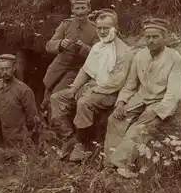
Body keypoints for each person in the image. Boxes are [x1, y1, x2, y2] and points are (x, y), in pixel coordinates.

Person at [105, 18, 181, 178]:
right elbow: (130, 84)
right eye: (147, 37)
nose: (151, 41)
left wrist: (158, 112)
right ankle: (108, 163)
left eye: (155, 37)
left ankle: (121, 165)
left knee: (140, 127)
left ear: (165, 37)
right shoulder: (140, 55)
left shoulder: (175, 58)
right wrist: (121, 102)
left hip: (160, 101)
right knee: (115, 119)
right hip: (141, 97)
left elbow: (174, 93)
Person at [50, 9, 134, 161]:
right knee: (57, 98)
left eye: (106, 28)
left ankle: (83, 145)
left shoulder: (124, 52)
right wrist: (74, 88)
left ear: (115, 28)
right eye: (99, 28)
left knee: (83, 102)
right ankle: (69, 138)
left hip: (109, 93)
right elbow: (85, 70)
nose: (102, 31)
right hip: (93, 87)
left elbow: (116, 82)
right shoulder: (97, 47)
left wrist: (92, 90)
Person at [41, 0, 100, 113]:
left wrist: (83, 48)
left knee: (58, 95)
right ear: (72, 10)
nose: (79, 12)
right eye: (77, 8)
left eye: (83, 8)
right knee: (47, 94)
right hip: (57, 68)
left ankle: (57, 125)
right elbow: (49, 45)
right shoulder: (66, 25)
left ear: (88, 9)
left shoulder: (95, 29)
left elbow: (97, 54)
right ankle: (46, 124)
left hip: (76, 70)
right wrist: (60, 44)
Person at [0, 54, 41, 154]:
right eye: (1, 69)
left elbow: (33, 119)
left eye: (7, 68)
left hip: (13, 141)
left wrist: (30, 139)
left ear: (14, 68)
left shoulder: (24, 90)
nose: (4, 72)